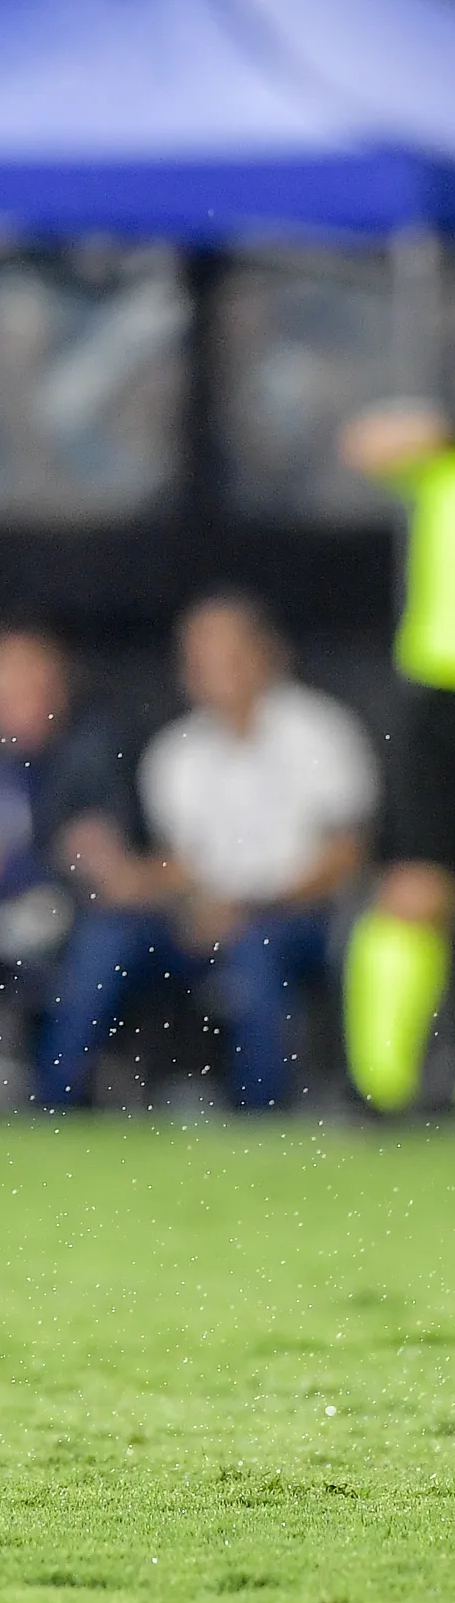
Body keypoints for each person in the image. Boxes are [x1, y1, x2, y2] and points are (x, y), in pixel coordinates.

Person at [45, 594, 374, 1112]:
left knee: (256, 948)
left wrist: (250, 907)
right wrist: (131, 878)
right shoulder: (176, 752)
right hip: (201, 918)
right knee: (105, 936)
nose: (214, 669)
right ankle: (52, 1106)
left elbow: (343, 858)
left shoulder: (320, 733)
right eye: (199, 657)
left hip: (296, 919)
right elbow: (184, 863)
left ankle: (258, 1118)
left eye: (229, 652)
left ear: (267, 654)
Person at [0, 617, 133, 1094]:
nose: (25, 702)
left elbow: (104, 848)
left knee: (107, 940)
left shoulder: (94, 748)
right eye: (8, 688)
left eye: (37, 686)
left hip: (68, 910)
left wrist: (82, 858)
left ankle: (54, 1093)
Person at [339, 402, 455, 1109]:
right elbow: (367, 438)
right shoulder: (442, 461)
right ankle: (380, 1090)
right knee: (415, 892)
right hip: (440, 692)